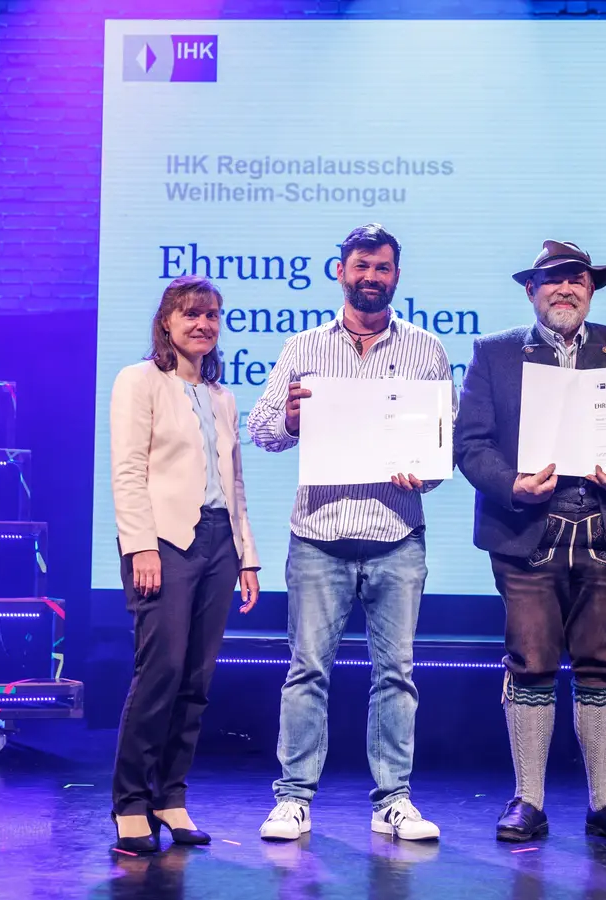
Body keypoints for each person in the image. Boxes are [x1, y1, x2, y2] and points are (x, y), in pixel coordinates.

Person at [247, 223, 449, 843]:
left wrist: (425, 473)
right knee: (307, 671)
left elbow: (442, 446)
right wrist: (291, 415)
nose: (371, 277)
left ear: (396, 275)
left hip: (395, 533)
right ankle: (294, 799)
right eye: (361, 266)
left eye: (383, 268)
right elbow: (260, 429)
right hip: (318, 536)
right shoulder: (304, 347)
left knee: (398, 674)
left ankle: (393, 801)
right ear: (341, 271)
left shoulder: (426, 351)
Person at [455, 240, 606, 845]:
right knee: (532, 662)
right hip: (527, 535)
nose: (566, 290)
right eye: (553, 281)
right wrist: (512, 483)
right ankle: (528, 800)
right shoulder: (494, 354)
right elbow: (471, 444)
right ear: (531, 291)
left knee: (603, 665)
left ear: (592, 289)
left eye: (577, 280)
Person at [109, 275, 263, 855]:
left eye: (212, 315)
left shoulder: (221, 397)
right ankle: (130, 803)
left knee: (196, 681)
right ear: (167, 322)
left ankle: (170, 796)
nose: (203, 324)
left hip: (219, 543)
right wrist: (140, 545)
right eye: (191, 314)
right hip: (166, 543)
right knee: (161, 673)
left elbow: (236, 484)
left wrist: (247, 558)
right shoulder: (139, 381)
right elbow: (128, 470)